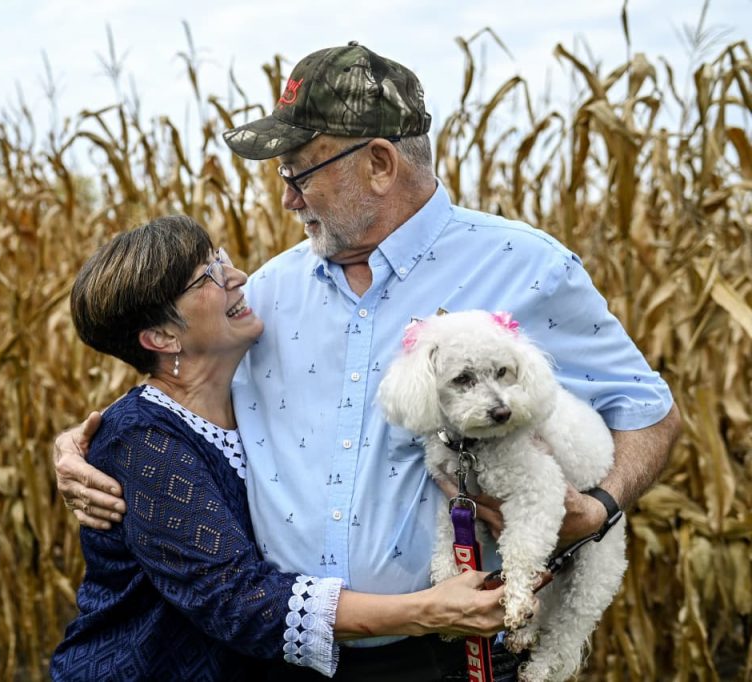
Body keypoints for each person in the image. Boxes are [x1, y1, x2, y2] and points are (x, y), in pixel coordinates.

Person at [55, 42, 681, 679]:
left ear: (379, 164)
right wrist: (89, 445)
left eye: (299, 173)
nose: (289, 200)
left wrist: (599, 507)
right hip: (282, 660)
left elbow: (648, 410)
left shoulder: (527, 267)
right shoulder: (267, 294)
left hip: (454, 653)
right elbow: (179, 388)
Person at [50, 215, 507, 682]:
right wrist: (425, 610)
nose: (237, 276)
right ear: (163, 338)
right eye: (208, 276)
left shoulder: (249, 394)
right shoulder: (140, 439)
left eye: (221, 258)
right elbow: (236, 599)